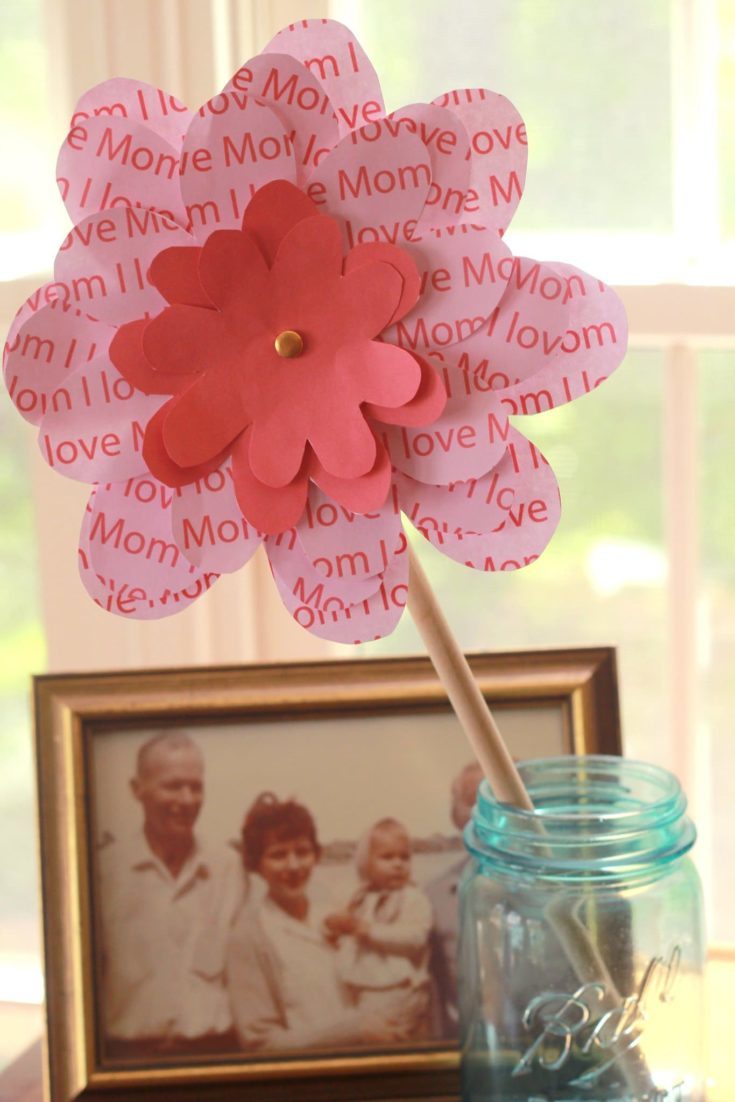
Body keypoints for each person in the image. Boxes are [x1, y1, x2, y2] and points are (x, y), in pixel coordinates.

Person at [97, 730, 244, 1059]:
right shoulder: (104, 873)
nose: (187, 800)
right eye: (173, 786)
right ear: (138, 790)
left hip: (217, 1054)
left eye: (196, 786)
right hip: (128, 1058)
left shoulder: (229, 867)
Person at [226, 793, 407, 1052]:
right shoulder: (248, 937)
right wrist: (354, 1032)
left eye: (302, 851)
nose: (294, 865)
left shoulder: (338, 914)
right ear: (255, 864)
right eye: (278, 855)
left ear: (317, 854)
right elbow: (261, 1044)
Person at [324, 818, 433, 1040]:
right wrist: (334, 927)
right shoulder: (359, 897)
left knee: (396, 1038)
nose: (398, 864)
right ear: (366, 863)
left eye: (404, 857)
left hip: (400, 988)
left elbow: (416, 938)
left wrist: (369, 931)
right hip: (363, 986)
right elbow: (342, 932)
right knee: (367, 1035)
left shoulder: (414, 898)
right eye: (387, 857)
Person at [425, 761, 484, 1039]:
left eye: (503, 797)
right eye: (474, 799)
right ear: (457, 814)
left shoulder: (569, 893)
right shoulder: (435, 896)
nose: (490, 810)